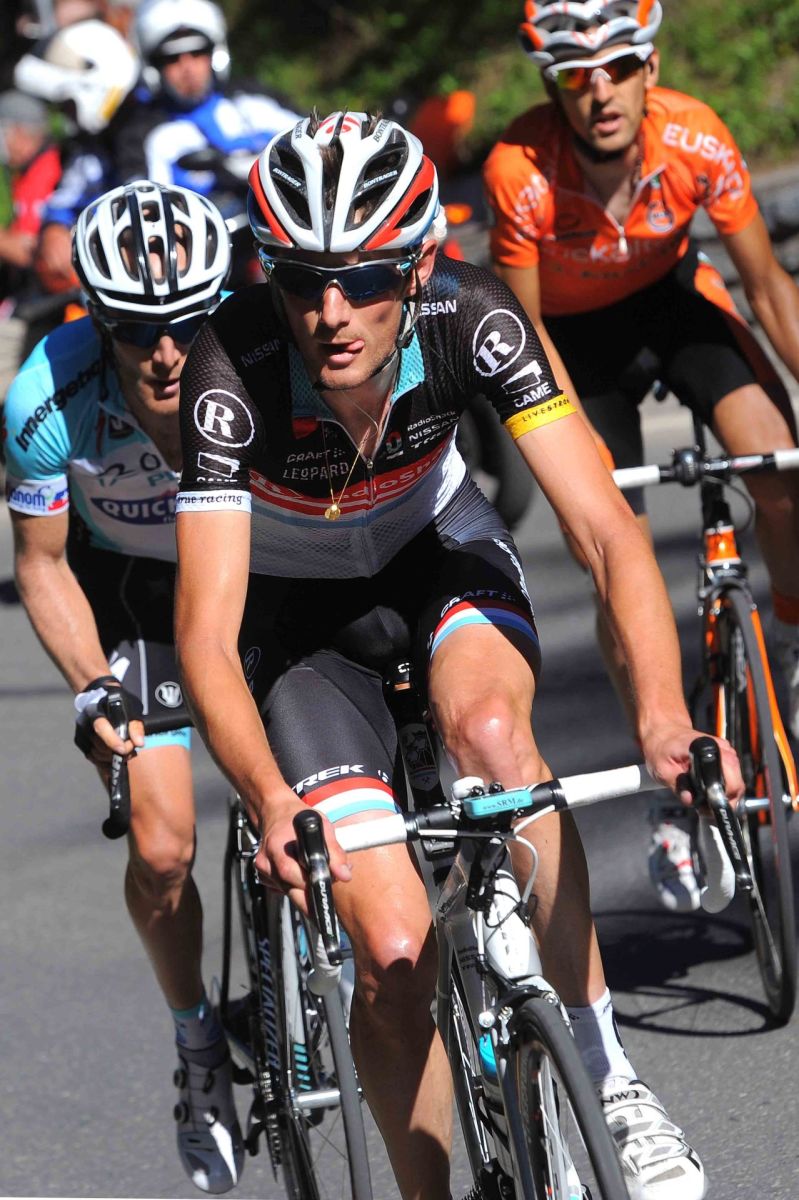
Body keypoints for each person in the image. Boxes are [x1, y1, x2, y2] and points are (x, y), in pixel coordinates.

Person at [174, 109, 743, 1200]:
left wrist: (662, 715)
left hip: (437, 555)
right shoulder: (229, 368)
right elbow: (204, 633)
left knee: (491, 735)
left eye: (365, 278)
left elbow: (605, 531)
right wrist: (265, 797)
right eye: (300, 281)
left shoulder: (471, 315)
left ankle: (610, 1078)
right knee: (392, 956)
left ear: (421, 263)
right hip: (300, 625)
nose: (330, 314)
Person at [482, 0, 799, 913]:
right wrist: (572, 448)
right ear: (554, 90)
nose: (601, 93)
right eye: (576, 78)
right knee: (611, 546)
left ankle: (785, 644)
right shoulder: (519, 171)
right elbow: (525, 333)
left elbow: (767, 288)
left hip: (673, 307)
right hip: (571, 347)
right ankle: (664, 770)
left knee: (777, 462)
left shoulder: (695, 137)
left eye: (619, 68)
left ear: (649, 71)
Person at [1, 179, 242, 1195]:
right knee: (163, 846)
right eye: (139, 329)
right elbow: (42, 565)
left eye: (189, 322)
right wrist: (92, 686)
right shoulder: (44, 398)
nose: (167, 351)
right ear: (96, 319)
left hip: (264, 572)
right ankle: (197, 1045)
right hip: (136, 594)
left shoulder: (263, 358)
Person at [121, 0, 298, 207]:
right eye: (172, 58)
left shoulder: (253, 99)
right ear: (153, 67)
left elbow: (320, 142)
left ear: (215, 56)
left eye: (197, 53)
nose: (188, 68)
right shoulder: (143, 136)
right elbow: (146, 208)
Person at [13, 18, 141, 295]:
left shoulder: (150, 127)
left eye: (67, 104)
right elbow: (69, 194)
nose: (65, 114)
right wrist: (54, 228)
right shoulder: (92, 142)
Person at [0, 88, 61, 395]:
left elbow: (33, 252)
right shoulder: (24, 173)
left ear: (20, 133)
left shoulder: (47, 170)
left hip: (48, 308)